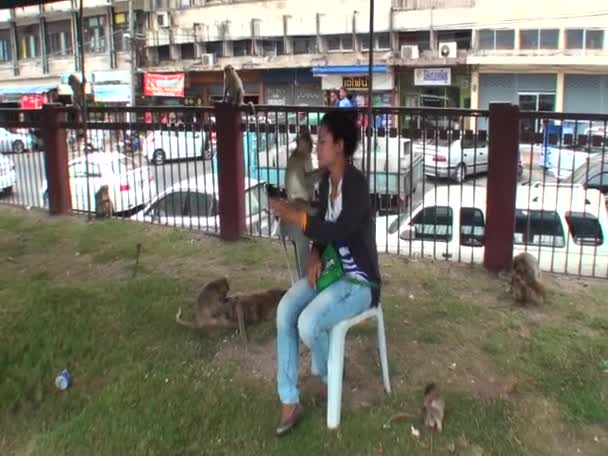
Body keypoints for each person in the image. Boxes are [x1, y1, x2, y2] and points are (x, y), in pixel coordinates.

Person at [269, 110, 381, 436]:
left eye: (322, 141)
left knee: (309, 323)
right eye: (317, 141)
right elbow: (325, 234)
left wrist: (293, 215)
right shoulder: (326, 184)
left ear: (340, 146)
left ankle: (330, 373)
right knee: (286, 309)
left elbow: (341, 228)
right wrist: (315, 253)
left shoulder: (356, 185)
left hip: (359, 282)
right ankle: (289, 400)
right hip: (333, 271)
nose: (317, 148)